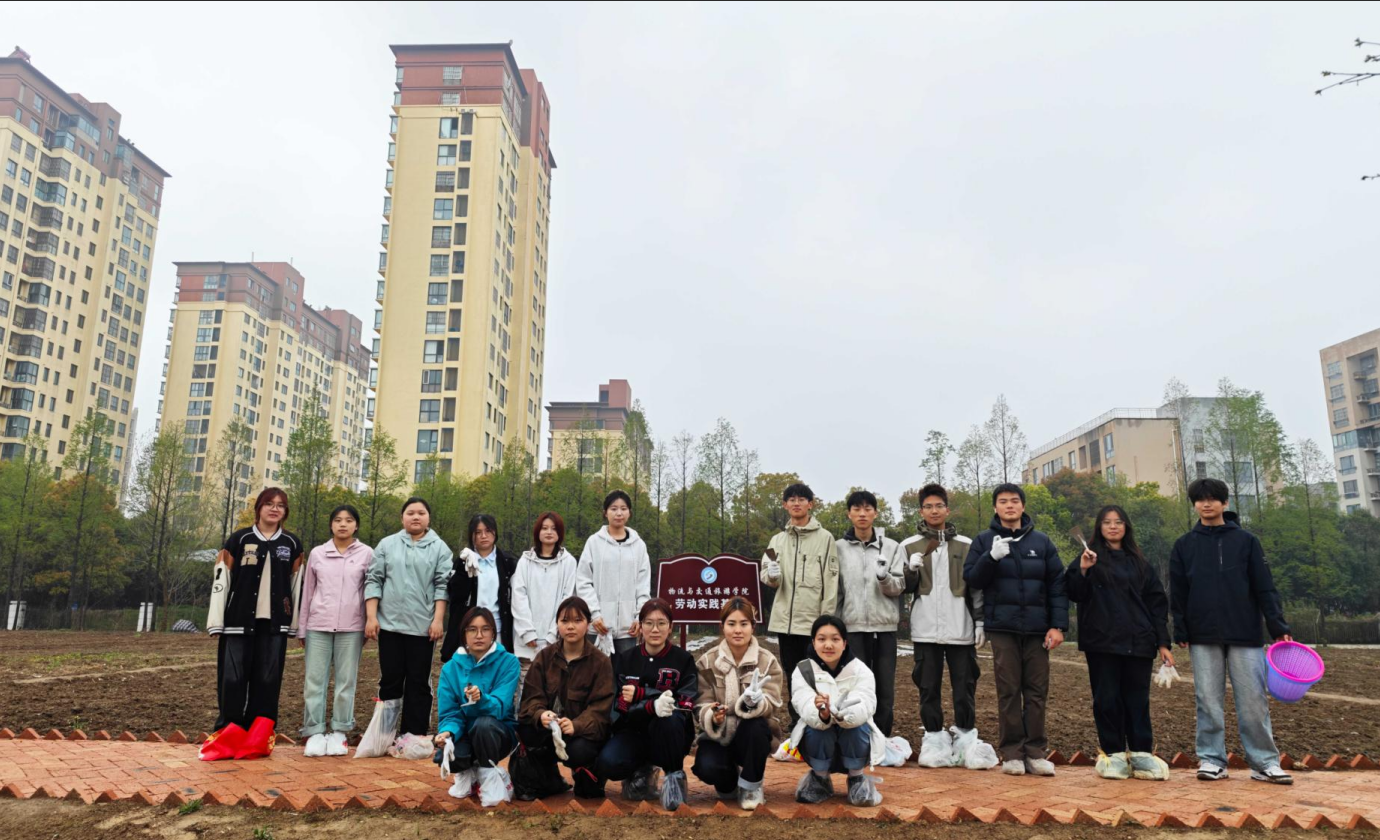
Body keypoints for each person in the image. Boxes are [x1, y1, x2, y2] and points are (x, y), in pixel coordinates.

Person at [1170, 478, 1293, 785]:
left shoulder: (1246, 541)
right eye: (1200, 499)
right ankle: (1212, 760)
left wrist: (1277, 626)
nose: (1206, 504)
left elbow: (1265, 586)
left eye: (1213, 498)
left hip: (1245, 633)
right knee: (1207, 700)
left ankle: (1264, 762)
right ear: (1194, 505)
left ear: (1225, 503)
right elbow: (1179, 591)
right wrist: (1181, 628)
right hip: (1202, 633)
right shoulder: (1184, 545)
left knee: (1253, 701)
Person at [963, 483, 1068, 777]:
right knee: (1008, 691)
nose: (1009, 506)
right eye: (1003, 501)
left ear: (1022, 505)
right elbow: (972, 579)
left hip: (1037, 630)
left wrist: (1058, 625)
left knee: (1036, 692)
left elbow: (1057, 584)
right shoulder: (984, 540)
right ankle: (1011, 753)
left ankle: (1035, 752)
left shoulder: (1042, 542)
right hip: (1003, 628)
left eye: (1014, 501)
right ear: (995, 507)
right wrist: (990, 558)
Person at [1067, 506, 1173, 781]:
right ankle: (1113, 754)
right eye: (1107, 522)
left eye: (1118, 522)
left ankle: (1141, 753)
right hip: (1101, 641)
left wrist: (1163, 643)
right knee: (1107, 699)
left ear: (1126, 527)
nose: (1113, 527)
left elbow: (1157, 604)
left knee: (1137, 700)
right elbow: (1074, 593)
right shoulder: (1087, 558)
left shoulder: (1140, 563)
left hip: (1139, 641)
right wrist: (1083, 570)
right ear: (1099, 527)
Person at [201, 487, 305, 761]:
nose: (274, 509)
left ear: (285, 512)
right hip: (237, 623)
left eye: (280, 505)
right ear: (258, 507)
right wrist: (216, 621)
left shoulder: (292, 544)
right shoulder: (239, 539)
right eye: (269, 503)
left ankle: (257, 741)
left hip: (275, 626)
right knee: (232, 679)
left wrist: (294, 624)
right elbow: (221, 580)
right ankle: (226, 739)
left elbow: (297, 587)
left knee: (268, 681)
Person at [900, 483, 987, 768]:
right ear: (921, 511)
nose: (934, 511)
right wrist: (910, 570)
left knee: (965, 686)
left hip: (961, 628)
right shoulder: (908, 546)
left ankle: (965, 739)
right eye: (928, 506)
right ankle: (934, 738)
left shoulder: (966, 545)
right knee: (928, 687)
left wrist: (980, 621)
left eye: (939, 506)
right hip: (925, 630)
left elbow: (976, 587)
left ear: (947, 510)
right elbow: (902, 588)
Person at [363, 496, 453, 751]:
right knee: (390, 679)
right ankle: (383, 736)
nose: (415, 517)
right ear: (402, 517)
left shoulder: (440, 548)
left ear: (428, 518)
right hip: (389, 625)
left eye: (421, 513)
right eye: (410, 512)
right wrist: (372, 616)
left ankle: (413, 736)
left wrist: (437, 620)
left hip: (422, 628)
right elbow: (374, 579)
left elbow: (442, 585)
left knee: (418, 681)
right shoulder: (387, 544)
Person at [593, 599, 698, 811]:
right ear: (640, 626)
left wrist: (642, 695)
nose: (655, 629)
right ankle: (640, 769)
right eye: (649, 623)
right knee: (609, 763)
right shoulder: (626, 659)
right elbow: (620, 705)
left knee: (670, 719)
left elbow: (684, 703)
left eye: (661, 623)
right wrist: (651, 706)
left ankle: (673, 778)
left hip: (668, 734)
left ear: (670, 626)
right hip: (634, 732)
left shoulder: (683, 659)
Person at [514, 596, 615, 800]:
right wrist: (541, 714)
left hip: (580, 734)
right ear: (557, 624)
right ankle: (546, 776)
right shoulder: (544, 657)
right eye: (564, 621)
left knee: (581, 757)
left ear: (588, 624)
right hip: (550, 730)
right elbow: (531, 697)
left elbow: (600, 709)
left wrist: (576, 725)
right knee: (527, 729)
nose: (570, 627)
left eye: (578, 620)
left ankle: (586, 774)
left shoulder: (600, 662)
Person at [692, 597, 784, 811]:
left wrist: (755, 703)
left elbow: (773, 700)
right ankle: (729, 782)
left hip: (749, 736)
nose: (737, 630)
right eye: (731, 624)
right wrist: (713, 715)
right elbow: (701, 702)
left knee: (757, 728)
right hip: (719, 736)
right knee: (708, 767)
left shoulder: (767, 661)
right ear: (722, 626)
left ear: (753, 626)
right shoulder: (707, 662)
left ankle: (752, 785)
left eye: (744, 624)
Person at [760, 482, 839, 725]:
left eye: (801, 499)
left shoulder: (825, 539)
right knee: (792, 673)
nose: (796, 503)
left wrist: (826, 621)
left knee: (817, 675)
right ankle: (797, 722)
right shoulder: (777, 540)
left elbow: (831, 580)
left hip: (813, 623)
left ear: (810, 504)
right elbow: (766, 576)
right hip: (786, 622)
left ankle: (819, 721)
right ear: (785, 505)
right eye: (791, 499)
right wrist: (772, 575)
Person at [297, 504, 372, 758]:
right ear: (331, 524)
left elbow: (370, 591)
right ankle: (314, 732)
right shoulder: (318, 553)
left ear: (356, 525)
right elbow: (308, 592)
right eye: (338, 520)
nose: (343, 524)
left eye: (349, 520)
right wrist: (303, 628)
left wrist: (368, 623)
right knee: (314, 682)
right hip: (318, 626)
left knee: (345, 682)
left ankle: (340, 731)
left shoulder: (366, 554)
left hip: (352, 627)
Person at [790, 615, 885, 807]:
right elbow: (802, 702)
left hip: (852, 738)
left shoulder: (861, 671)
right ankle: (820, 778)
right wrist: (822, 714)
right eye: (821, 639)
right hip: (819, 741)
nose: (828, 645)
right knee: (817, 728)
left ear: (844, 643)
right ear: (813, 642)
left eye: (835, 639)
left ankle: (856, 778)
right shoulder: (803, 670)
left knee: (857, 727)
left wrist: (844, 714)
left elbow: (866, 704)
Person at [833, 489, 904, 736]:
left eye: (867, 509)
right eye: (857, 509)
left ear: (875, 513)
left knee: (884, 687)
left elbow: (899, 586)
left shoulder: (891, 547)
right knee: (855, 685)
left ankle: (882, 737)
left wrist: (884, 577)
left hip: (884, 627)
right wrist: (835, 625)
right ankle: (857, 735)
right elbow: (836, 589)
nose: (862, 514)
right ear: (849, 514)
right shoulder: (838, 548)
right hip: (851, 627)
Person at [434, 607, 522, 803]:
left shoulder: (509, 662)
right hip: (465, 731)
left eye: (485, 629)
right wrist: (448, 732)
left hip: (497, 732)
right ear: (464, 634)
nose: (479, 635)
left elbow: (500, 707)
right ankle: (469, 772)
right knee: (445, 755)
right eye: (472, 629)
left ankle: (488, 774)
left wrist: (481, 699)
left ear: (493, 633)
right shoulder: (450, 669)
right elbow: (450, 713)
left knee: (484, 725)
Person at [576, 491, 651, 656]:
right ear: (605, 512)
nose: (619, 513)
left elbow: (643, 585)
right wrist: (594, 614)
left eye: (623, 508)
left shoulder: (639, 545)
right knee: (595, 671)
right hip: (599, 627)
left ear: (629, 512)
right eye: (613, 508)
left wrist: (640, 617)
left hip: (628, 629)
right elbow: (583, 581)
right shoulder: (594, 542)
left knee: (626, 671)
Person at [442, 514, 519, 663]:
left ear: (495, 532)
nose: (483, 536)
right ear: (471, 535)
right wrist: (463, 567)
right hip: (470, 631)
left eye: (488, 530)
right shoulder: (464, 561)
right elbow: (455, 596)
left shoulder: (508, 562)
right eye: (478, 532)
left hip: (498, 630)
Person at [510, 513, 579, 678]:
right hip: (527, 642)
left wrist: (553, 634)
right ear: (537, 532)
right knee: (527, 684)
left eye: (554, 529)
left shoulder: (568, 562)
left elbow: (567, 599)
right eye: (544, 528)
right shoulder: (525, 561)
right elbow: (519, 597)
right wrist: (527, 632)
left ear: (560, 533)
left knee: (555, 685)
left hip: (556, 639)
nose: (549, 532)